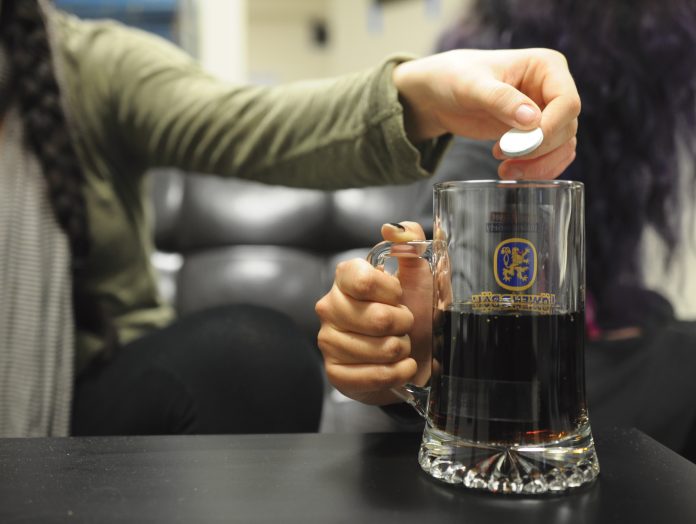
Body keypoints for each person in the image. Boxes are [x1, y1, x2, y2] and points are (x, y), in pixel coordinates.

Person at [0, 0, 580, 437]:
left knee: (253, 356)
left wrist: (422, 97)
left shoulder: (84, 65)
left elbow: (252, 122)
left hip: (81, 398)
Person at [316, 0, 696, 462]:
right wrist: (427, 342)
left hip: (546, 369)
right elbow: (464, 266)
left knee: (665, 324)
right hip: (509, 395)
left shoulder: (563, 142)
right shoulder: (497, 130)